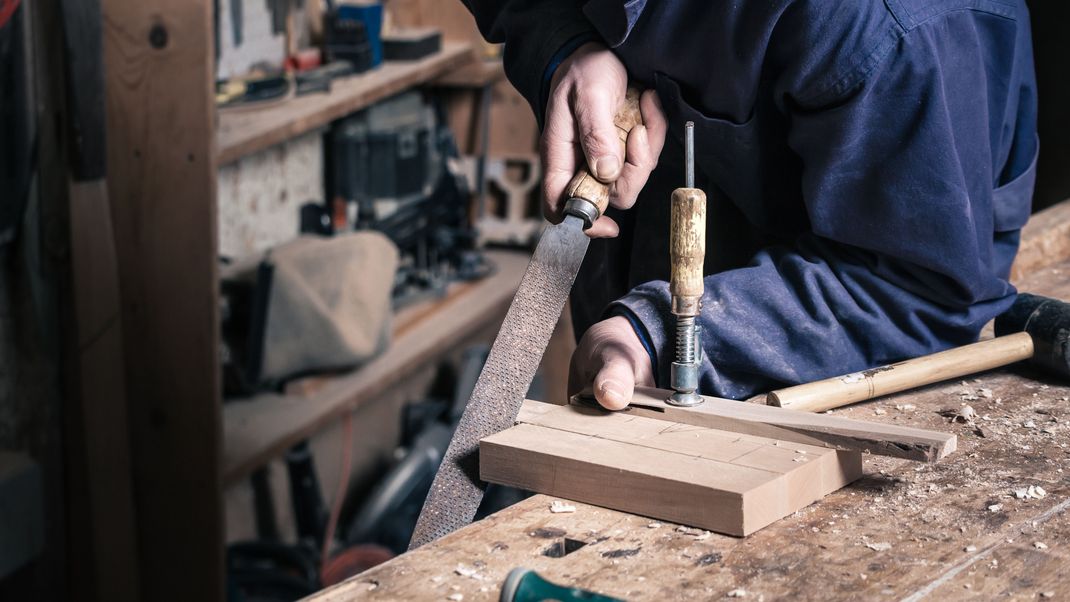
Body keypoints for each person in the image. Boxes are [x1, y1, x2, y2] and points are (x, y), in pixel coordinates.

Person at [462, 1, 1038, 410]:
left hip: (837, 354)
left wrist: (659, 335)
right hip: (629, 288)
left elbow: (920, 291)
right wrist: (565, 46)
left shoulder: (893, 25)